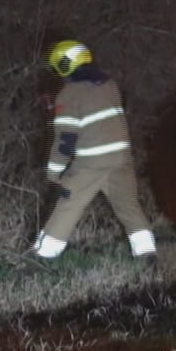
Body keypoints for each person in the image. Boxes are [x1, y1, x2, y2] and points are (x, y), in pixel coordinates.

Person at [34, 40, 156, 265]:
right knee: (128, 206)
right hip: (122, 158)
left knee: (67, 205)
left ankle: (43, 257)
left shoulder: (69, 94)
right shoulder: (109, 85)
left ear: (63, 65)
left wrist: (54, 170)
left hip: (91, 162)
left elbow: (65, 139)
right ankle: (147, 254)